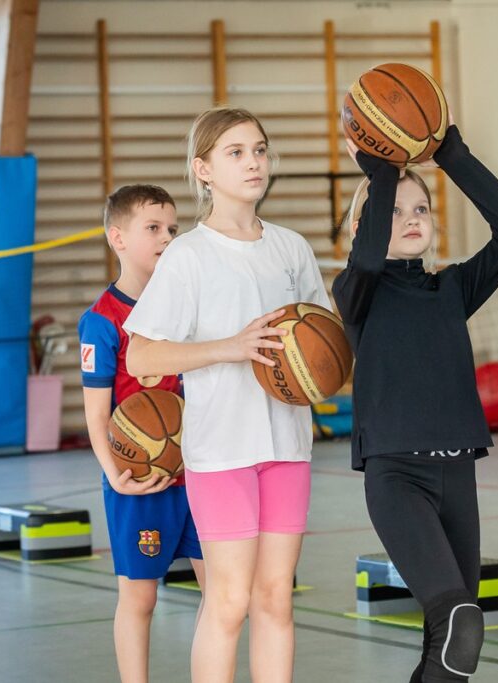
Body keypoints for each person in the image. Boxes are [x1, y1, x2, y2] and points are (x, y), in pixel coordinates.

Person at [124, 107, 329, 682]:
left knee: (276, 600)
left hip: (288, 447)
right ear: (203, 169)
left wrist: (316, 365)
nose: (254, 161)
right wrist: (231, 347)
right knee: (229, 602)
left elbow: (323, 338)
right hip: (222, 454)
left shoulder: (291, 248)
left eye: (259, 149)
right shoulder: (189, 254)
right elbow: (141, 357)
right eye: (235, 152)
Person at [332, 121, 498, 681]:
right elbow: (369, 261)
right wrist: (380, 172)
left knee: (452, 642)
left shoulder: (451, 289)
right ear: (363, 224)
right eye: (393, 211)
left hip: (457, 476)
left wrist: (454, 157)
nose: (411, 218)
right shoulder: (357, 294)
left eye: (420, 209)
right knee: (462, 623)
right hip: (397, 477)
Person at [78, 184, 203, 683]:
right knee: (141, 597)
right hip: (138, 481)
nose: (167, 237)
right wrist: (116, 476)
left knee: (222, 593)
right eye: (153, 228)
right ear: (118, 238)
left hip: (198, 473)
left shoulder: (187, 309)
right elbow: (95, 415)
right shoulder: (101, 321)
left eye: (173, 228)